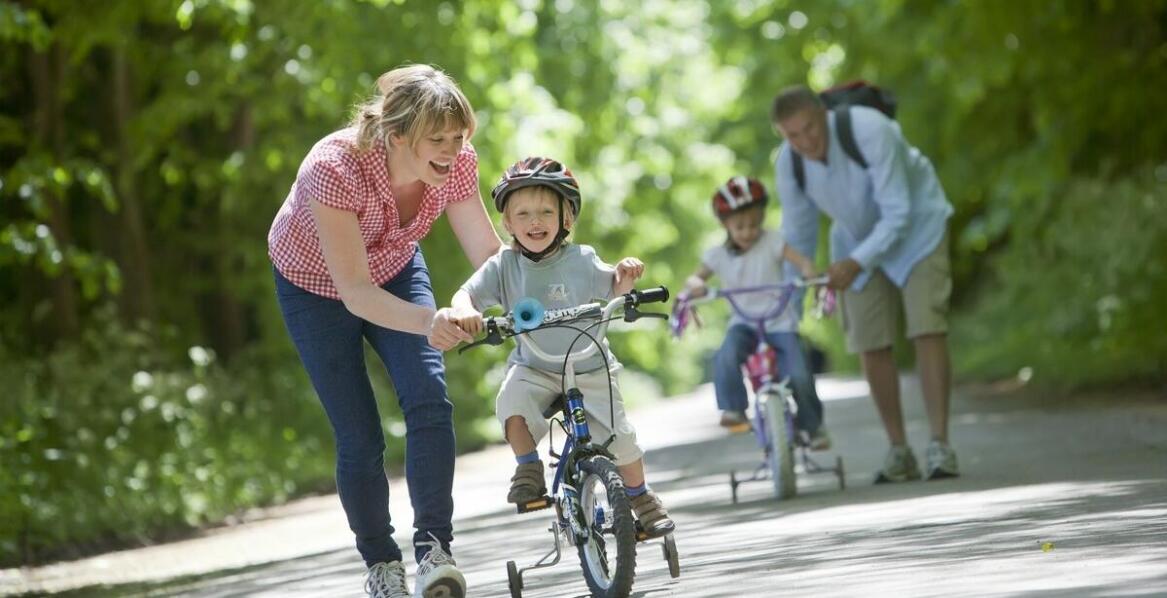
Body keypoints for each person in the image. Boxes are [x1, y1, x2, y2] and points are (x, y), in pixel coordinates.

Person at [267, 64, 502, 598]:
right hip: (316, 287)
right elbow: (355, 292)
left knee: (429, 399)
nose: (452, 148)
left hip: (394, 266)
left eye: (459, 136)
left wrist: (544, 287)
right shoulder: (334, 167)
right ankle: (381, 565)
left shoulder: (457, 162)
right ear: (397, 136)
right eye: (437, 139)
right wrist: (431, 320)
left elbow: (488, 256)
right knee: (360, 436)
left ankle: (434, 552)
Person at [447, 156, 676, 539]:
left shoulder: (581, 259)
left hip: (589, 364)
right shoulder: (504, 266)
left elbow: (613, 287)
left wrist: (625, 278)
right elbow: (466, 293)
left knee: (621, 438)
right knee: (511, 406)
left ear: (566, 218)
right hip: (535, 367)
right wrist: (463, 310)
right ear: (507, 223)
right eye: (523, 214)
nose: (534, 222)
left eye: (545, 212)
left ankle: (639, 496)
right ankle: (528, 468)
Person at [770, 84, 959, 483]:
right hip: (855, 240)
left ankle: (940, 444)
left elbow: (899, 212)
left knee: (927, 327)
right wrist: (790, 305)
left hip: (918, 230)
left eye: (809, 128)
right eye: (792, 135)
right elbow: (799, 234)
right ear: (782, 135)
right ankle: (899, 450)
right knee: (869, 341)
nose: (805, 141)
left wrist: (855, 263)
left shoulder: (870, 129)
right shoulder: (790, 163)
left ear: (823, 113)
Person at [683, 176, 830, 449]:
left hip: (780, 321)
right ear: (725, 224)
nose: (748, 231)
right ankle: (733, 409)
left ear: (762, 217)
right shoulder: (717, 255)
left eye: (754, 223)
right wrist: (695, 286)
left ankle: (813, 427)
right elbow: (695, 278)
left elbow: (801, 261)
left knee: (799, 373)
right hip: (744, 322)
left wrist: (809, 270)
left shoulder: (773, 240)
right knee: (726, 354)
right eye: (740, 226)